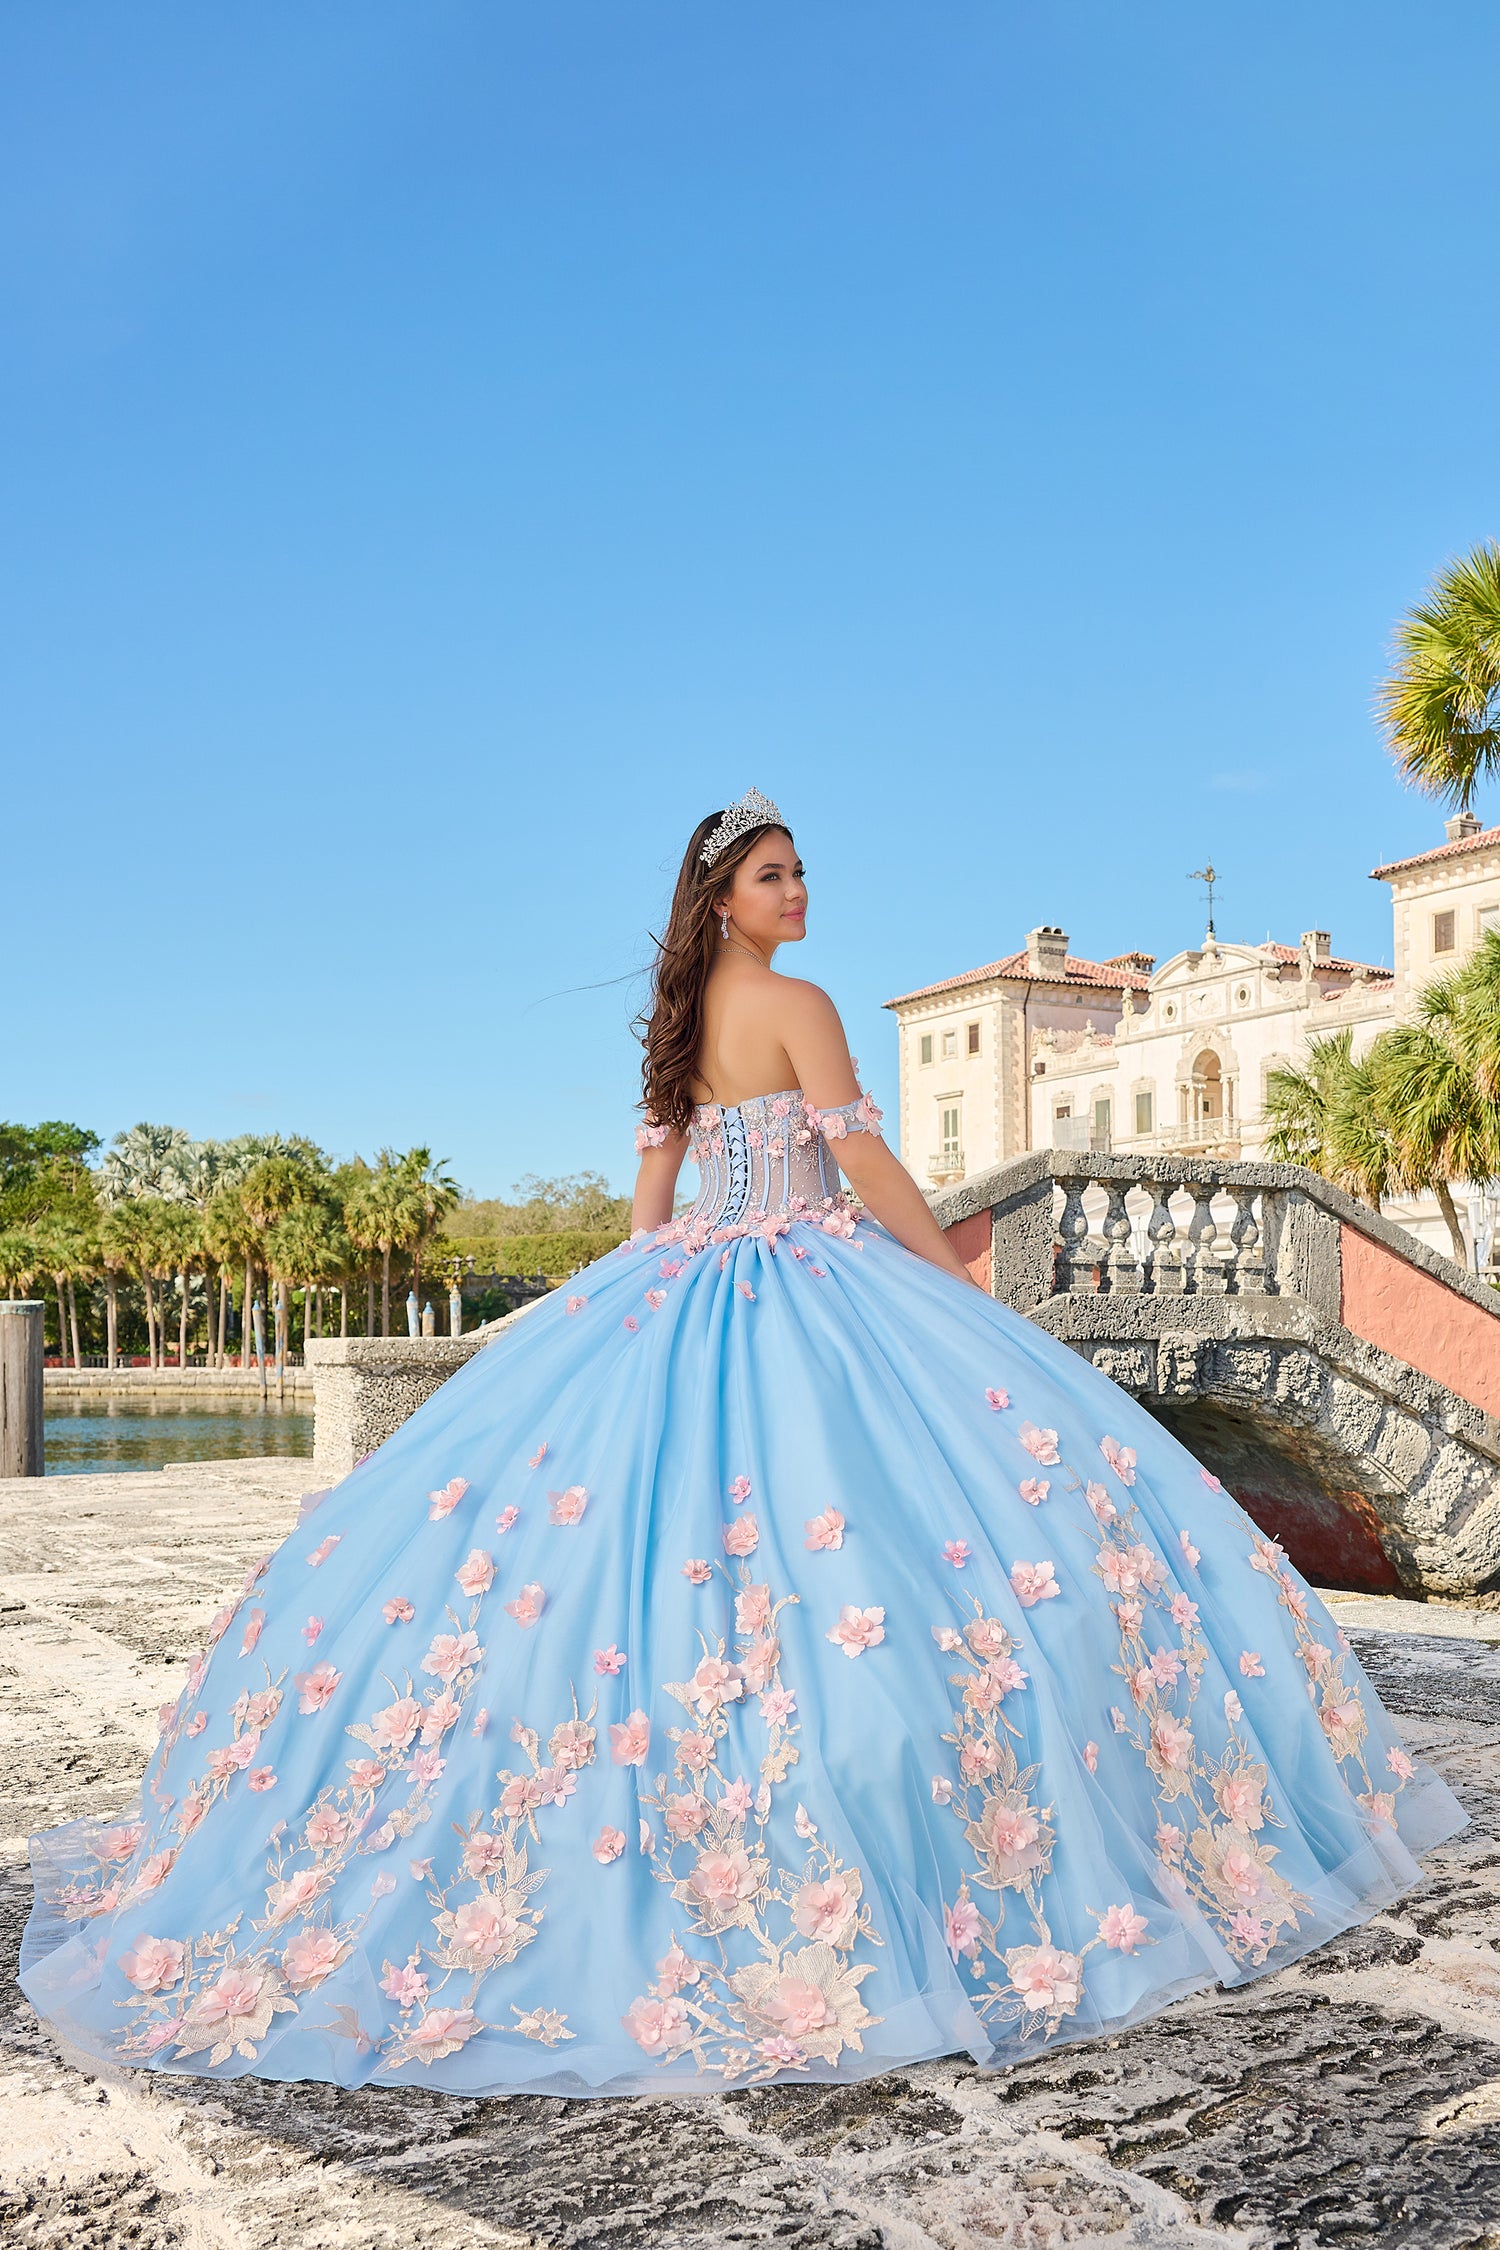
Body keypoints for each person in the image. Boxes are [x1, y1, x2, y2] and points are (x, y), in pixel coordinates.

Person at [19, 791, 1467, 2096]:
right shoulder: (798, 1001)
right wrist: (960, 1288)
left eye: (802, 873)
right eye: (777, 875)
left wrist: (636, 1307)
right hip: (808, 1282)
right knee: (895, 1552)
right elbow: (865, 1158)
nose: (800, 892)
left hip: (686, 1286)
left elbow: (652, 1205)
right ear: (726, 899)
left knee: (665, 1577)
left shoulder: (672, 1030)